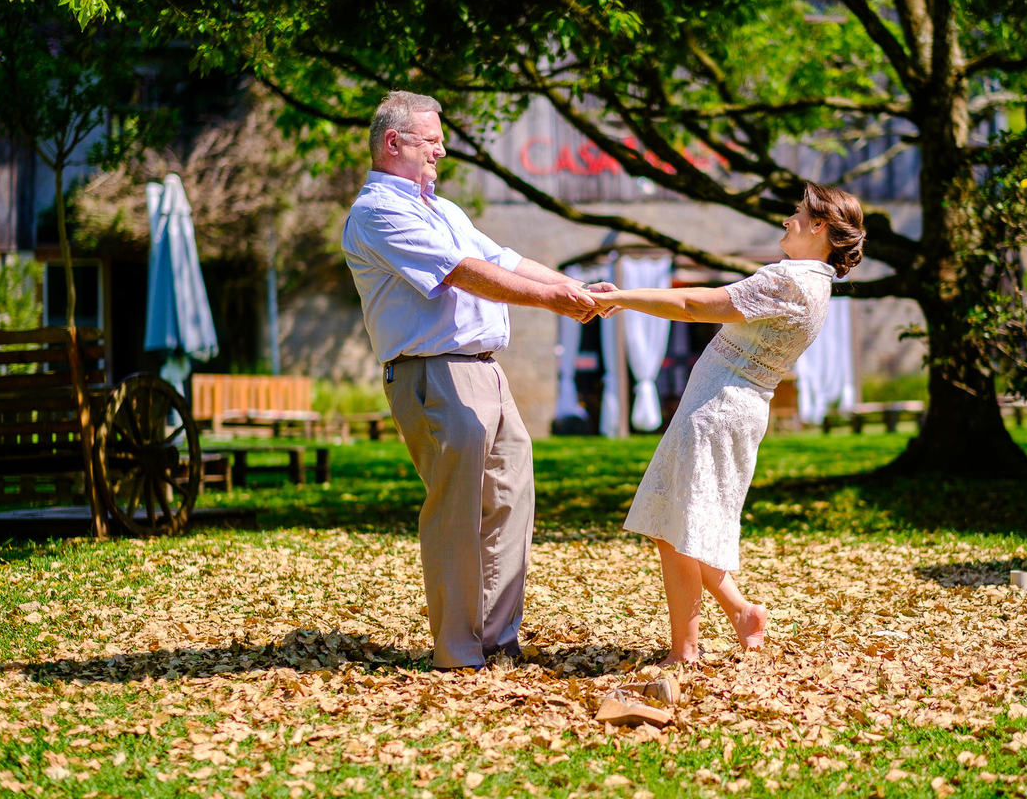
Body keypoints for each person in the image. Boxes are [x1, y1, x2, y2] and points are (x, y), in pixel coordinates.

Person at [342, 91, 613, 670]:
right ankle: (458, 651)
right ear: (395, 143)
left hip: (486, 371)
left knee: (512, 499)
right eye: (432, 138)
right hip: (434, 372)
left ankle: (498, 638)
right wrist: (553, 302)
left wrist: (576, 289)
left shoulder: (443, 209)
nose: (443, 148)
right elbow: (464, 274)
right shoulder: (377, 211)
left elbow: (505, 261)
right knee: (457, 510)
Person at [587, 182, 865, 665]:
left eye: (797, 213)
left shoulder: (792, 281)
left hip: (718, 411)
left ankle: (685, 652)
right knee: (676, 522)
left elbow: (697, 305)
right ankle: (741, 613)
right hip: (726, 407)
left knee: (678, 530)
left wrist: (625, 297)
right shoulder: (810, 281)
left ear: (820, 226)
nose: (787, 220)